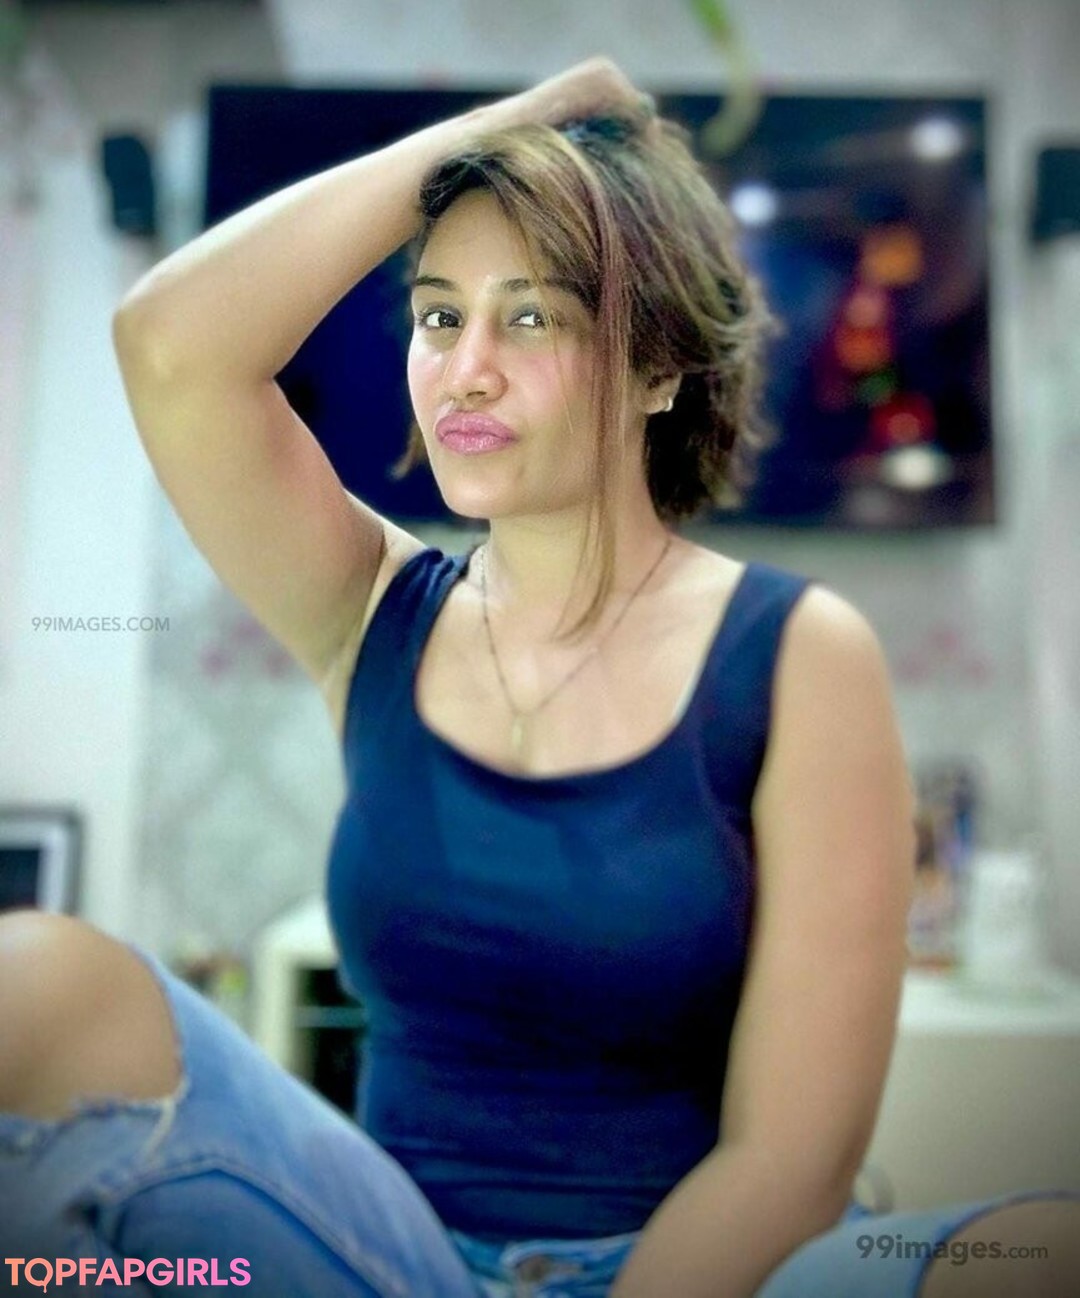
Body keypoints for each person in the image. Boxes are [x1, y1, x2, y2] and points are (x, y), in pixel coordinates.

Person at [1, 56, 1076, 1298]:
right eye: (439, 316)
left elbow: (790, 1162)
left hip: (695, 1271)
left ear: (659, 370)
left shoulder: (797, 652)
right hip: (387, 1261)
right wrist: (509, 130)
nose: (465, 367)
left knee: (1041, 1244)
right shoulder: (370, 606)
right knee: (35, 977)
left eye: (531, 316)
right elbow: (169, 343)